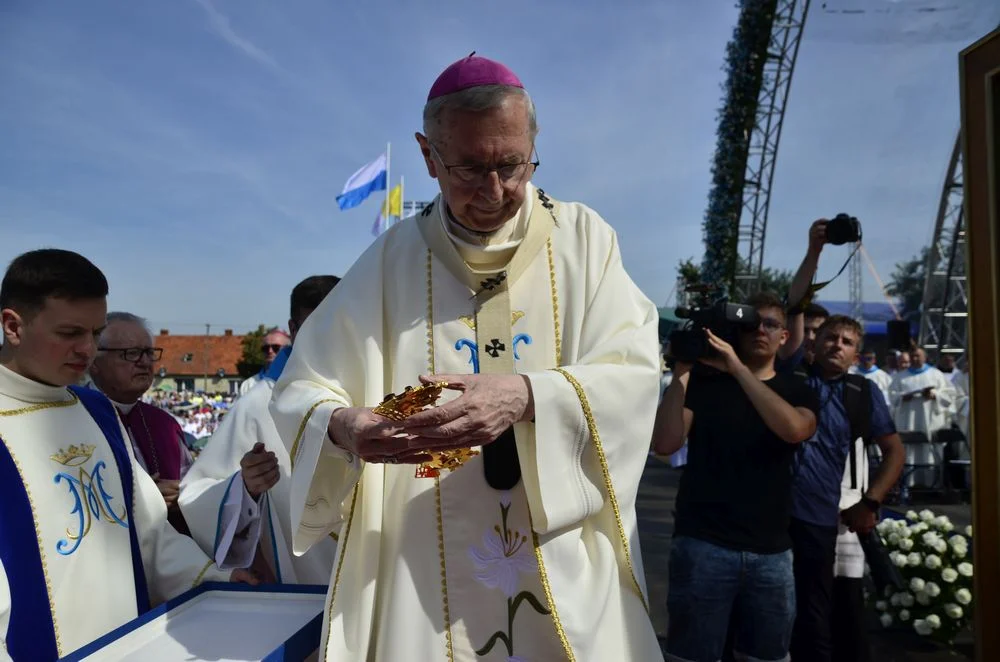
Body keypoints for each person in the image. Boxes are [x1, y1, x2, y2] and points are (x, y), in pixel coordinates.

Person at [270, 54, 663, 661]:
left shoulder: (585, 240)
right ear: (429, 156)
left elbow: (634, 373)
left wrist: (531, 395)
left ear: (533, 147)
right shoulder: (389, 261)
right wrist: (345, 427)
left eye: (512, 165)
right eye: (471, 169)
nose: (496, 190)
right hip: (424, 557)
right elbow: (301, 386)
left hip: (556, 549)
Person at [0, 249, 254, 662]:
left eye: (95, 333)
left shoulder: (97, 411)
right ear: (13, 326)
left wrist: (216, 579)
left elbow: (150, 535)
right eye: (70, 333)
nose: (87, 349)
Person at [652, 291, 818, 662]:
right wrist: (682, 368)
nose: (760, 330)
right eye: (751, 323)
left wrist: (737, 369)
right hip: (702, 543)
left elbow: (793, 429)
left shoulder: (797, 388)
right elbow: (665, 443)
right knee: (691, 655)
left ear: (785, 337)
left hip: (771, 550)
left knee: (766, 657)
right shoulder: (705, 386)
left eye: (771, 324)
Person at [179, 276, 340, 585]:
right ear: (293, 330)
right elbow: (196, 495)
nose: (330, 337)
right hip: (301, 586)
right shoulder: (257, 405)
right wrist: (246, 489)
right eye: (316, 326)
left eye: (341, 323)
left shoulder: (374, 391)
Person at [787, 316, 904, 662]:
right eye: (830, 337)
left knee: (819, 614)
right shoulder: (791, 379)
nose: (837, 345)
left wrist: (870, 502)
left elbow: (895, 451)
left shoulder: (862, 392)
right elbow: (795, 306)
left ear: (856, 355)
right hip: (772, 515)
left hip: (823, 516)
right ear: (813, 341)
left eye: (847, 342)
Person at [88, 311, 194, 534]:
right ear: (94, 361)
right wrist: (143, 499)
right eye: (132, 353)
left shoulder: (164, 425)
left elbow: (192, 486)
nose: (145, 362)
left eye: (148, 352)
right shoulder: (74, 417)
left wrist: (183, 498)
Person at [239, 328, 290, 396]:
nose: (270, 351)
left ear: (287, 349)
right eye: (265, 348)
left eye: (276, 347)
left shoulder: (296, 381)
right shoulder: (248, 385)